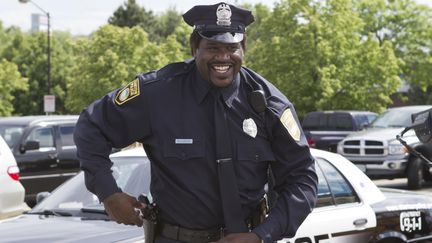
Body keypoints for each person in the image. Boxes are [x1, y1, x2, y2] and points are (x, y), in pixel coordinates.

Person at [74, 2, 318, 243]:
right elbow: (91, 126)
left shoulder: (269, 104)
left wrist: (262, 235)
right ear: (194, 48)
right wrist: (108, 192)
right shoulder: (157, 94)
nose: (223, 57)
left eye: (232, 48)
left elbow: (302, 179)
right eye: (212, 47)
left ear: (243, 48)